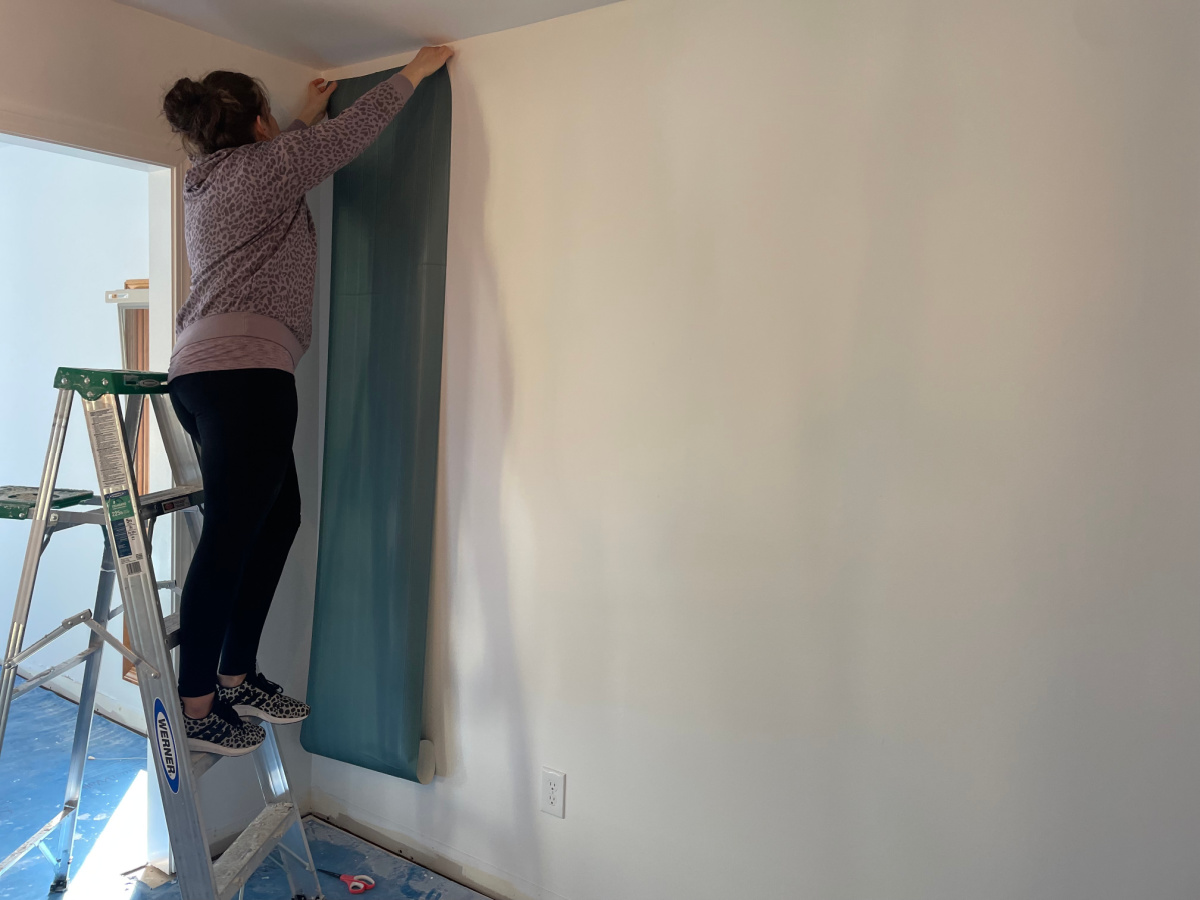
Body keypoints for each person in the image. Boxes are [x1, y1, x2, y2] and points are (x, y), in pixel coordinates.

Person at [161, 45, 454, 755]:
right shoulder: (266, 169)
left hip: (202, 373)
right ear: (257, 123)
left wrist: (294, 123)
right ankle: (197, 702)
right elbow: (344, 140)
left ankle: (235, 674)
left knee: (274, 518)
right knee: (233, 536)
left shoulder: (208, 180)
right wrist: (412, 73)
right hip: (246, 374)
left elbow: (288, 162)